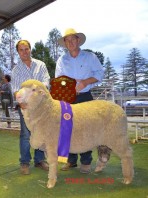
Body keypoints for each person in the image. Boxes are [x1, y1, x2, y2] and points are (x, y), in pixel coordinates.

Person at [56, 28, 104, 174]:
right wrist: (69, 83)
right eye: (67, 40)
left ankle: (86, 162)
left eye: (73, 39)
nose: (70, 42)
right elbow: (58, 79)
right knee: (66, 129)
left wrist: (84, 82)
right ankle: (71, 161)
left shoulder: (90, 57)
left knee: (86, 129)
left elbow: (99, 74)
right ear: (65, 43)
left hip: (85, 97)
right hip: (67, 99)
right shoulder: (61, 60)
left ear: (78, 40)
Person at [11, 40, 50, 175]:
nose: (24, 52)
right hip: (26, 107)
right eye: (21, 50)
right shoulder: (16, 70)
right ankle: (25, 162)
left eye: (26, 49)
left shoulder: (41, 65)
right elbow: (15, 89)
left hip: (40, 107)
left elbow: (46, 83)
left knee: (40, 132)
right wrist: (21, 102)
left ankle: (40, 160)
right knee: (26, 134)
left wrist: (35, 96)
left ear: (30, 49)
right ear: (18, 52)